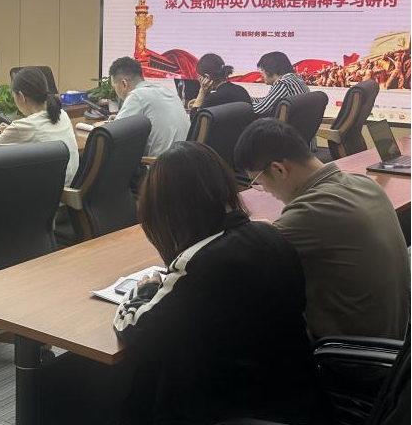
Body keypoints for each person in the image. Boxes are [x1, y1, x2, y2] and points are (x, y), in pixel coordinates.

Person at [113, 141, 318, 424]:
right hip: (298, 397)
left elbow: (136, 330)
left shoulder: (199, 263)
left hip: (236, 407)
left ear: (166, 209)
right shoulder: (269, 235)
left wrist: (146, 289)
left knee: (147, 380)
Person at [234, 118, 410, 340]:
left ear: (279, 169)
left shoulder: (309, 213)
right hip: (396, 334)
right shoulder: (364, 183)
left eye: (258, 181)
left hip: (353, 352)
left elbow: (242, 258)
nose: (264, 190)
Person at [0, 66, 79, 185]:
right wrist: (12, 130)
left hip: (49, 191)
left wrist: (14, 130)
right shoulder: (62, 114)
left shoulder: (25, 127)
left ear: (21, 96)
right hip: (68, 185)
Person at [107, 56, 189, 158]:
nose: (115, 91)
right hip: (186, 159)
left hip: (159, 164)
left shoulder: (136, 95)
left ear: (124, 83)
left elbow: (114, 135)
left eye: (114, 87)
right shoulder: (167, 91)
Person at [189, 53, 251, 122]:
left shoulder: (214, 98)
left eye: (200, 78)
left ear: (207, 77)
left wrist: (202, 93)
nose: (199, 81)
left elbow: (194, 119)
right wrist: (203, 100)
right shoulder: (241, 90)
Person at [251, 51, 309, 116]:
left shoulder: (283, 84)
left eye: (262, 70)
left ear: (269, 69)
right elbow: (268, 100)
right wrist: (249, 99)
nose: (261, 73)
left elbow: (259, 109)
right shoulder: (295, 78)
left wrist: (244, 104)